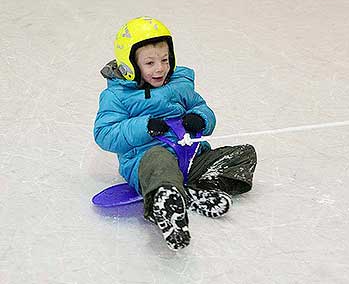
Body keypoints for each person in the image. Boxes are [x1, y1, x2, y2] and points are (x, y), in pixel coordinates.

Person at [93, 16, 257, 251]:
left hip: (190, 157)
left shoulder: (179, 84)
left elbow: (202, 109)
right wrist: (145, 126)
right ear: (129, 65)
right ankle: (166, 200)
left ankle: (192, 189)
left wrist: (200, 119)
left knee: (243, 154)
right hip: (147, 162)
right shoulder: (117, 96)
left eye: (165, 60)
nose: (160, 68)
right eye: (149, 63)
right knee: (159, 159)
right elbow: (105, 133)